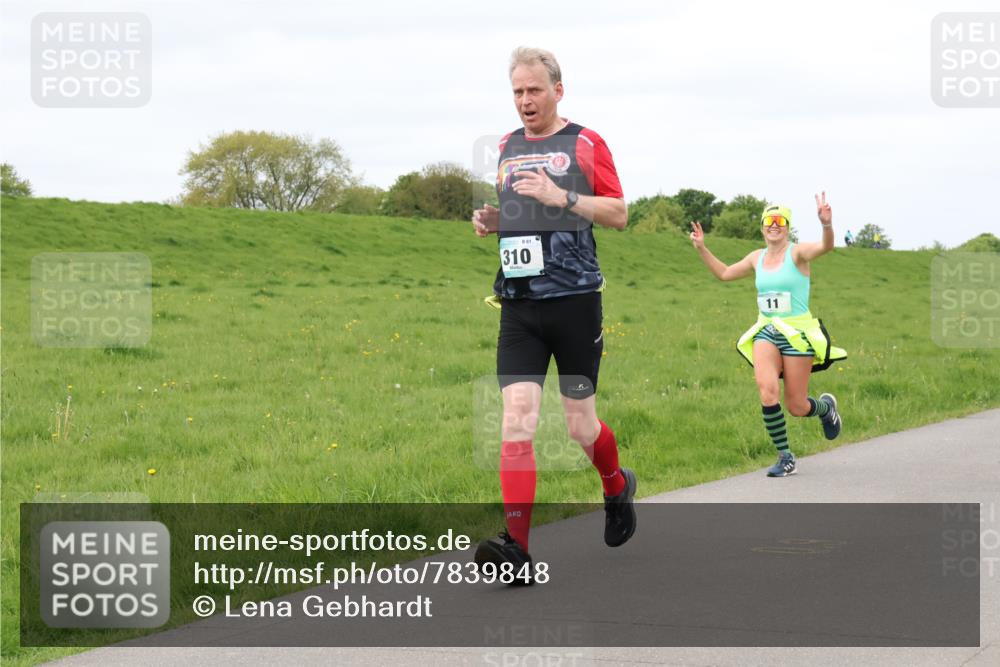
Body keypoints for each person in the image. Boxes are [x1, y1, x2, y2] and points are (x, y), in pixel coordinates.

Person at [470, 47, 636, 583]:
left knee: (579, 425)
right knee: (516, 420)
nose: (525, 100)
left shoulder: (587, 143)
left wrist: (560, 195)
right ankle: (516, 550)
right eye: (517, 91)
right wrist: (498, 221)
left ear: (557, 91)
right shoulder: (506, 146)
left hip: (575, 306)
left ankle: (615, 484)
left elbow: (618, 213)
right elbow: (526, 216)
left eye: (534, 90)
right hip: (519, 308)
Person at [689, 195, 846, 477]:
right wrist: (702, 248)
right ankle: (785, 456)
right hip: (767, 331)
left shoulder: (797, 254)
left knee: (797, 405)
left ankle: (825, 409)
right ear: (762, 227)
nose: (774, 225)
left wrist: (826, 224)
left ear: (787, 227)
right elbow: (724, 273)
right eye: (769, 221)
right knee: (767, 391)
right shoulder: (756, 258)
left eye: (780, 221)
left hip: (797, 334)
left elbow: (826, 246)